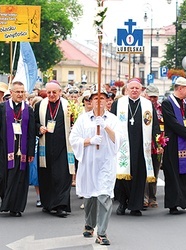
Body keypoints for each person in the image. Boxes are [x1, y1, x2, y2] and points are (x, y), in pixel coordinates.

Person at [70, 87, 121, 245]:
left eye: (102, 99)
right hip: (89, 163)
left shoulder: (113, 119)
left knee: (104, 195)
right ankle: (89, 224)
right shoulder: (83, 119)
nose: (99, 102)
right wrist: (89, 141)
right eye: (95, 99)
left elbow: (118, 139)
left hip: (106, 163)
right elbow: (73, 139)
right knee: (90, 195)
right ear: (90, 102)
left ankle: (102, 233)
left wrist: (105, 126)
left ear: (107, 101)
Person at [110, 78, 160, 216]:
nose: (134, 90)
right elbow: (112, 122)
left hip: (141, 147)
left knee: (139, 176)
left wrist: (158, 142)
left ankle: (136, 206)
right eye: (131, 88)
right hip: (123, 146)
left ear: (141, 90)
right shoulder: (118, 103)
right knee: (122, 177)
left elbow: (154, 124)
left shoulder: (147, 105)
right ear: (126, 90)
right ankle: (122, 203)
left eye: (137, 88)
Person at [0, 81, 35, 217]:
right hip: (5, 149)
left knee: (20, 179)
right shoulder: (2, 108)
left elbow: (31, 132)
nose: (20, 94)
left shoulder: (28, 109)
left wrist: (31, 151)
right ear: (11, 92)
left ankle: (16, 207)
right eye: (17, 92)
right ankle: (7, 200)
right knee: (3, 177)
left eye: (22, 92)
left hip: (22, 150)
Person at [35, 80, 74, 217]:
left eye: (54, 92)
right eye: (49, 92)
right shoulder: (40, 105)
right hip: (45, 146)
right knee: (47, 176)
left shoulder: (68, 105)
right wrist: (39, 127)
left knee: (62, 176)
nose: (51, 95)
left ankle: (61, 206)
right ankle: (48, 204)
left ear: (60, 92)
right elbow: (34, 123)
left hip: (63, 146)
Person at [161, 77, 186, 214]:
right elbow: (173, 123)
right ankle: (173, 204)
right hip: (173, 143)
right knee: (173, 173)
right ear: (180, 88)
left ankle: (185, 199)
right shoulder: (167, 103)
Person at [143, 85, 164, 209]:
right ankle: (144, 197)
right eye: (150, 97)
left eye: (155, 97)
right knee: (145, 172)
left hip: (157, 144)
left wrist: (161, 144)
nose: (153, 99)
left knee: (154, 172)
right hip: (145, 144)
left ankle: (152, 197)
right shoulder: (142, 106)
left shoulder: (161, 108)